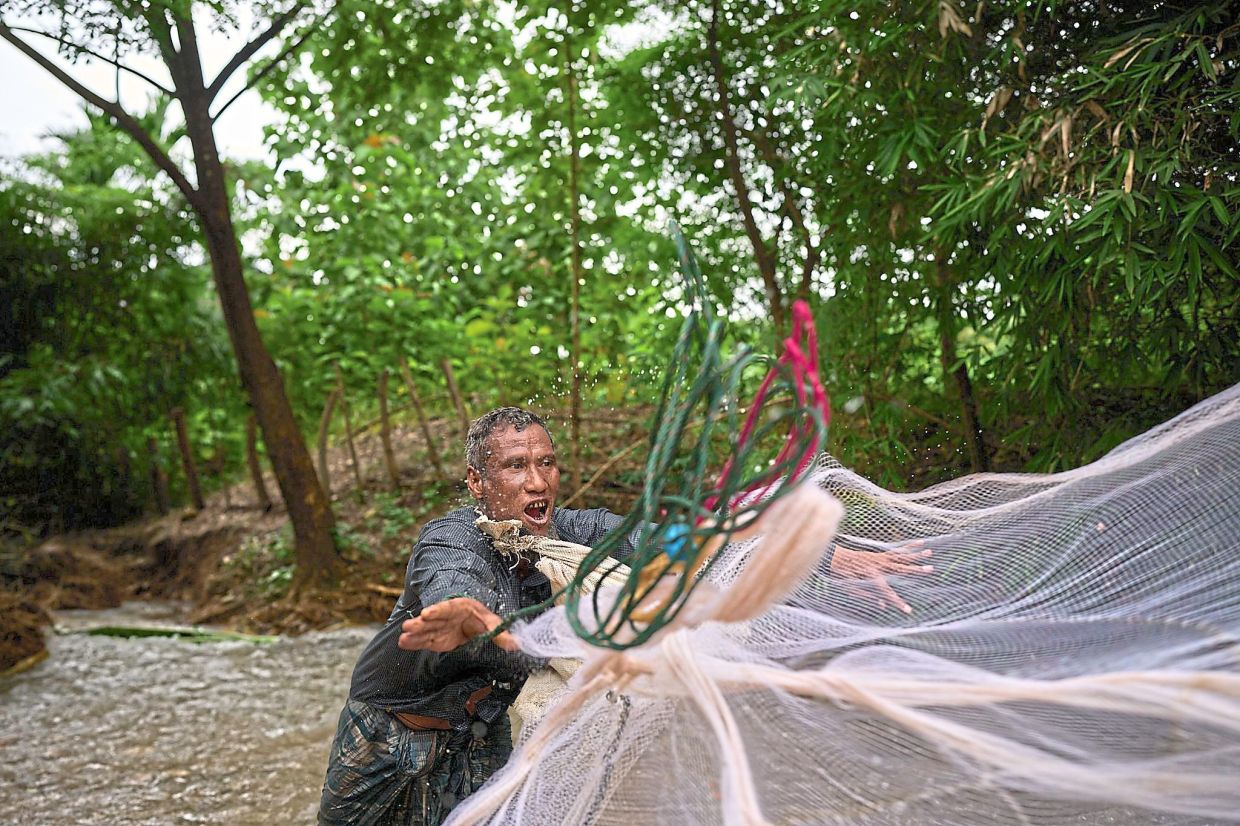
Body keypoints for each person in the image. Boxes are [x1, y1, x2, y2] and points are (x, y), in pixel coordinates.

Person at [319, 405, 932, 825]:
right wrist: (479, 621)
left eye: (546, 463)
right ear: (478, 482)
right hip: (388, 731)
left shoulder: (578, 534)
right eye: (515, 467)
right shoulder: (451, 540)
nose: (539, 479)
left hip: (479, 741)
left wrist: (821, 554)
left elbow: (682, 540)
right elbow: (453, 591)